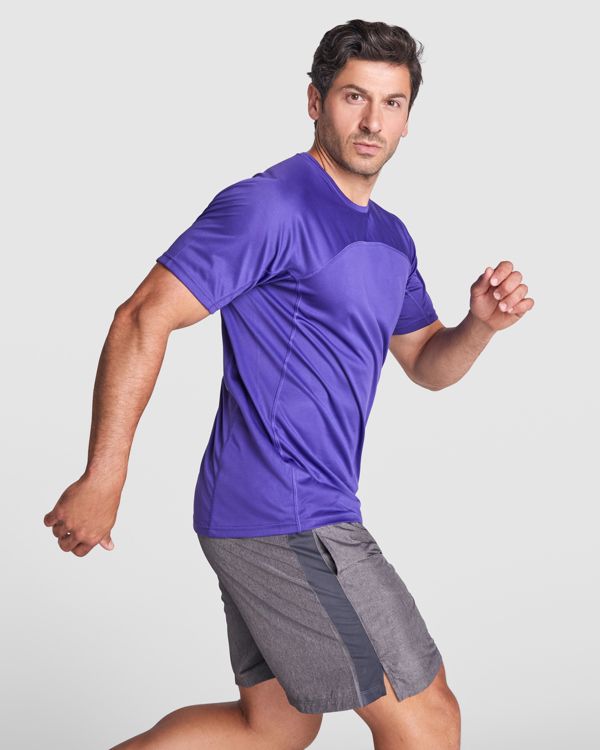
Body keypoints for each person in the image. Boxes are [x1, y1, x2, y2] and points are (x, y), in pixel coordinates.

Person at [43, 18, 534, 750]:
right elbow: (142, 316)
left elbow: (426, 362)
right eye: (354, 97)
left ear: (408, 119)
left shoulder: (390, 235)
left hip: (284, 507)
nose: (372, 122)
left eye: (392, 103)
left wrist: (480, 327)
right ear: (315, 101)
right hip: (284, 509)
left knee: (272, 728)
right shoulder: (270, 205)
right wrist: (103, 475)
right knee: (428, 719)